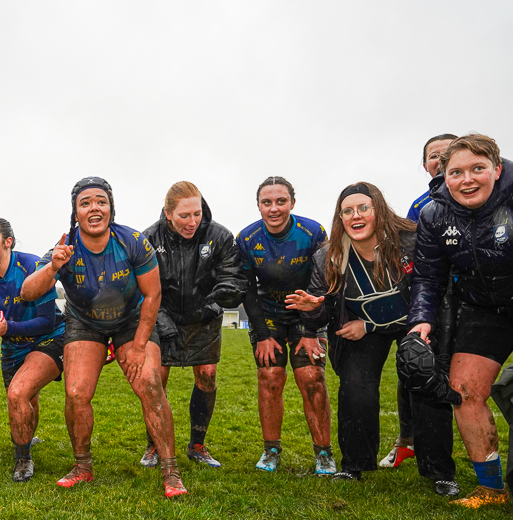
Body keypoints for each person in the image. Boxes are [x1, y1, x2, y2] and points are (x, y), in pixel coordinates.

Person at [21, 176, 187, 498]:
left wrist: (139, 347)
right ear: (75, 212)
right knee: (76, 392)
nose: (94, 208)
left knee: (150, 384)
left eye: (101, 201)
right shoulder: (64, 248)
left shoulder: (133, 241)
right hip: (86, 323)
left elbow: (152, 294)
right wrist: (53, 267)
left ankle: (170, 470)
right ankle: (82, 466)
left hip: (131, 320)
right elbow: (28, 292)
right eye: (85, 203)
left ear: (111, 208)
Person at [288, 182, 457, 494]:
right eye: (347, 211)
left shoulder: (413, 239)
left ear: (378, 210)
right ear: (340, 218)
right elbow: (321, 314)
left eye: (363, 208)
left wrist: (377, 327)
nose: (356, 216)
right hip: (359, 325)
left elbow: (432, 286)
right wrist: (314, 309)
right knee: (356, 386)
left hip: (415, 322)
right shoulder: (328, 256)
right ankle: (354, 464)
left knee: (424, 381)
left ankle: (440, 471)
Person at [409, 133, 513, 507]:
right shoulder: (434, 214)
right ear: (443, 176)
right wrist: (421, 319)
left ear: (497, 170)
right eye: (456, 172)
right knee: (463, 389)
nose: (467, 179)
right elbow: (427, 277)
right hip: (484, 308)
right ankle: (491, 489)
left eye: (478, 169)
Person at [139, 181, 245, 468]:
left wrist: (222, 297)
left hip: (204, 316)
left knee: (207, 375)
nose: (192, 222)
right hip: (164, 316)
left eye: (196, 214)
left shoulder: (220, 236)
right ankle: (153, 445)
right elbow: (143, 287)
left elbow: (231, 275)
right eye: (184, 216)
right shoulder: (148, 237)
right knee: (155, 378)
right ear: (168, 213)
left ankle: (197, 444)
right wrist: (161, 320)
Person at [236, 176, 334, 474]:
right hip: (268, 315)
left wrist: (311, 330)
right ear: (258, 206)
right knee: (270, 376)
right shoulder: (246, 238)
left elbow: (323, 282)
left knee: (312, 378)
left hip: (307, 314)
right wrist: (262, 335)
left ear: (293, 202)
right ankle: (271, 450)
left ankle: (323, 453)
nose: (274, 208)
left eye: (281, 201)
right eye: (267, 202)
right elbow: (247, 290)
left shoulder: (313, 231)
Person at [0, 217, 65, 482]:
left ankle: (23, 459)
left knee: (18, 393)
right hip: (13, 346)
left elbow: (47, 321)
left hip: (49, 338)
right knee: (26, 399)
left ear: (7, 242)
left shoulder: (30, 266)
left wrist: (8, 329)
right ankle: (28, 439)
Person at [381, 133, 458, 469]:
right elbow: (413, 255)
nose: (439, 160)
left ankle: (450, 451)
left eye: (446, 153)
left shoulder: (488, 196)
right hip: (430, 300)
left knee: (461, 377)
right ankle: (407, 442)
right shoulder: (420, 205)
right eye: (432, 155)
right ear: (424, 164)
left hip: (475, 301)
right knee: (414, 369)